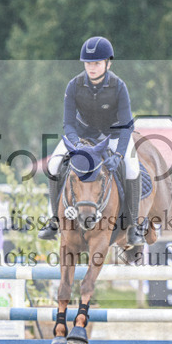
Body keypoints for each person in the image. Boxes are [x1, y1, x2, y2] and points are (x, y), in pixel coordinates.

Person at [38, 36, 145, 244]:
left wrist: (120, 154)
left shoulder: (119, 86)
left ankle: (133, 225)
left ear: (108, 63)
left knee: (132, 168)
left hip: (113, 135)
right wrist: (75, 143)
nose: (92, 67)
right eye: (88, 63)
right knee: (53, 164)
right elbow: (68, 123)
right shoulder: (74, 85)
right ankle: (55, 220)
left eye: (96, 63)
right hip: (82, 135)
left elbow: (126, 125)